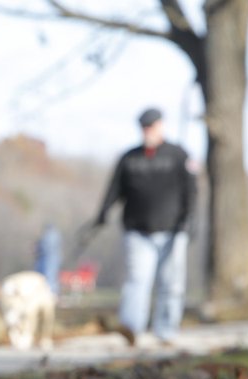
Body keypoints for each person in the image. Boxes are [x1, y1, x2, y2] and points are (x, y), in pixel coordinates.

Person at [88, 107, 197, 345]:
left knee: (171, 283)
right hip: (137, 230)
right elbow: (115, 189)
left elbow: (191, 191)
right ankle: (131, 330)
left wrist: (188, 221)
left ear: (161, 126)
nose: (147, 131)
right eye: (144, 127)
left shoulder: (178, 155)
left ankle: (166, 331)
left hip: (172, 231)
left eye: (151, 126)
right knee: (137, 281)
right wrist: (103, 213)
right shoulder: (130, 158)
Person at [34, 223, 63, 295]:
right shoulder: (55, 236)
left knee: (49, 278)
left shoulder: (50, 236)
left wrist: (38, 248)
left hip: (48, 260)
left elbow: (45, 248)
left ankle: (50, 294)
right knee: (49, 278)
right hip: (48, 260)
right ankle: (51, 293)